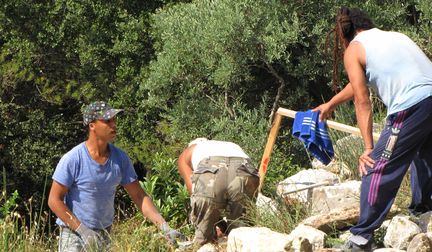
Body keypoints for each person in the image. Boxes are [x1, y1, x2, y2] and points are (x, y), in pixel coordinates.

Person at [314, 7, 432, 251]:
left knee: (376, 167)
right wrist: (330, 104)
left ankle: (361, 237)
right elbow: (358, 82)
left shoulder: (354, 48)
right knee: (423, 153)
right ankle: (422, 211)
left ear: (345, 35)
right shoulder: (394, 37)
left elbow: (361, 98)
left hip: (410, 106)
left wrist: (368, 148)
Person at [48, 101, 184, 251]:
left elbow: (139, 196)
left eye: (114, 120)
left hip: (105, 234)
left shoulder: (121, 158)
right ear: (92, 125)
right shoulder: (73, 159)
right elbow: (54, 200)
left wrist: (165, 227)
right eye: (107, 121)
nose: (114, 125)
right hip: (74, 234)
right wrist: (83, 231)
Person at [177, 138, 259, 245]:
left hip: (211, 167)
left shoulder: (187, 152)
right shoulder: (229, 144)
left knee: (203, 242)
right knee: (243, 237)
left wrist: (211, 220)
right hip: (245, 169)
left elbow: (193, 191)